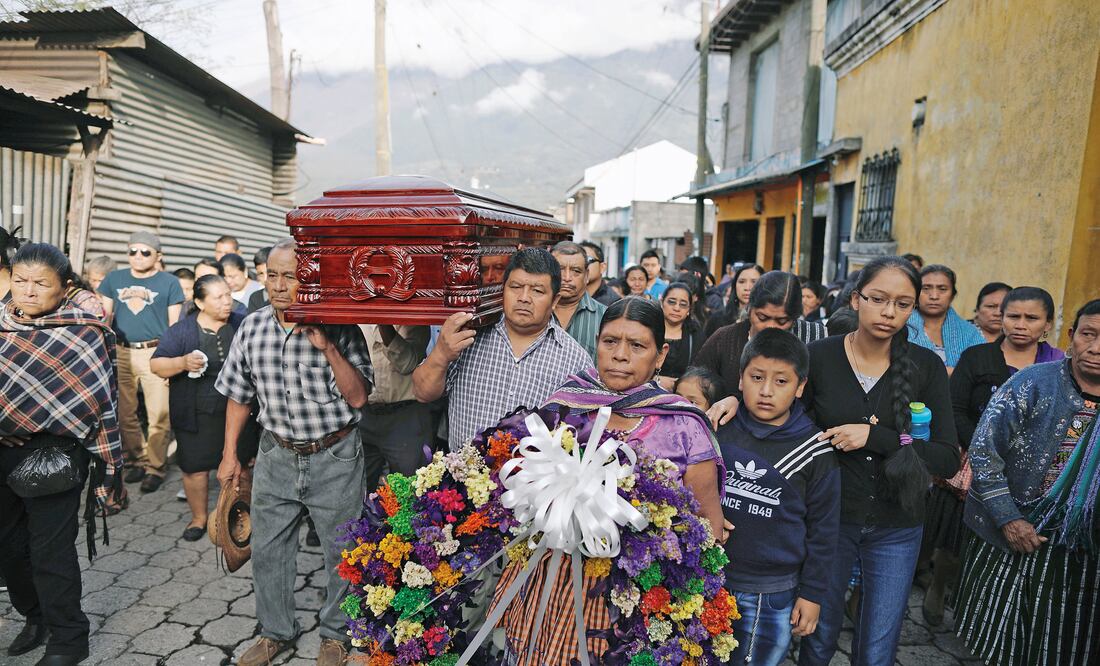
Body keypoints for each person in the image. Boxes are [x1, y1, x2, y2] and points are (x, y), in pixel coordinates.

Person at [491, 297, 725, 664]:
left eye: (637, 345)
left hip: (629, 597)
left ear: (661, 355)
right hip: (550, 580)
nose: (620, 355)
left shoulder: (683, 427)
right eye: (610, 341)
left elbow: (709, 529)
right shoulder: (566, 407)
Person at [215, 239, 372, 666]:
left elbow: (359, 397)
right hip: (276, 454)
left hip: (335, 455)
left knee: (342, 550)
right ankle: (276, 632)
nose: (280, 285)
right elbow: (238, 396)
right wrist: (229, 454)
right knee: (269, 548)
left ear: (310, 280)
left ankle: (336, 635)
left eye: (291, 276)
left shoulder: (340, 327)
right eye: (273, 275)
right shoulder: (251, 327)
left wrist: (328, 347)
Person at [795, 256, 959, 666]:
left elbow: (945, 458)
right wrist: (731, 400)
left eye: (903, 304)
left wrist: (877, 437)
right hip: (830, 520)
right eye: (879, 299)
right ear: (856, 300)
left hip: (898, 523)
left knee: (877, 649)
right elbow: (786, 424)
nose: (889, 312)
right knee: (818, 638)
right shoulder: (819, 357)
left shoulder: (926, 367)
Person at [955, 299, 1100, 666]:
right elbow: (984, 451)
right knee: (1004, 636)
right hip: (1015, 531)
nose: (1096, 348)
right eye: (1089, 334)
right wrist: (1008, 518)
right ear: (1072, 336)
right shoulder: (1033, 382)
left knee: (1071, 638)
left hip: (1086, 549)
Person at [0, 243, 124, 666]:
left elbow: (99, 402)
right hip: (2, 450)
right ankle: (35, 617)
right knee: (9, 549)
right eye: (20, 280)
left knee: (50, 552)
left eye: (41, 283)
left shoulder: (84, 331)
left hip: (56, 453)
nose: (28, 291)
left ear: (65, 287)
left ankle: (69, 639)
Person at [919, 286, 1065, 625]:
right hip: (975, 459)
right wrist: (985, 447)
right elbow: (954, 409)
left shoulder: (1057, 366)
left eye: (1032, 318)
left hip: (1031, 469)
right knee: (957, 536)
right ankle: (939, 586)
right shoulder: (978, 357)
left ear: (1047, 324)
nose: (1021, 325)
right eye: (1013, 316)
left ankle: (980, 605)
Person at [716, 329, 840, 666]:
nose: (766, 391)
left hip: (771, 593)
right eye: (757, 377)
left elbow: (824, 531)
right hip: (710, 579)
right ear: (740, 378)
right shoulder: (719, 429)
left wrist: (812, 594)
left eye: (781, 381)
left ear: (800, 386)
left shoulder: (815, 451)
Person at [412, 247, 592, 450]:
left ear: (555, 300)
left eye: (537, 291)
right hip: (463, 469)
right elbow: (422, 393)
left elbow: (581, 435)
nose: (524, 298)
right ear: (502, 289)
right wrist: (441, 354)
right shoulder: (468, 336)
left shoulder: (575, 359)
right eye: (516, 287)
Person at [151, 275, 245, 541]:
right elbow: (156, 365)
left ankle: (239, 515)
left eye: (228, 295)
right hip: (195, 412)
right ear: (200, 303)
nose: (227, 302)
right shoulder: (181, 331)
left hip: (237, 411)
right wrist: (182, 362)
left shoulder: (242, 324)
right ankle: (199, 518)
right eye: (219, 297)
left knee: (242, 465)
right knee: (194, 467)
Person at [97, 231, 184, 492]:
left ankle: (156, 468)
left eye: (145, 252)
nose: (138, 256)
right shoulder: (114, 279)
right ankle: (137, 460)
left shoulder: (170, 282)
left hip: (155, 351)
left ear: (158, 256)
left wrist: (170, 359)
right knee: (125, 414)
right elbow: (104, 318)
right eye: (132, 251)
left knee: (159, 415)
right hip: (121, 351)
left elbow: (174, 325)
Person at [695, 272, 827, 403]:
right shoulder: (724, 340)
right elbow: (693, 389)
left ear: (794, 319)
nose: (771, 326)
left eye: (781, 321)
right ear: (749, 309)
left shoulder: (815, 338)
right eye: (762, 317)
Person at [358, 324, 432, 490]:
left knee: (412, 489)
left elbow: (407, 364)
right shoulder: (355, 319)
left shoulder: (413, 320)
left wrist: (384, 325)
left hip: (406, 418)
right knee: (359, 490)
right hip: (363, 416)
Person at [906, 264, 985, 373]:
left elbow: (981, 370)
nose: (934, 296)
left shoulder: (970, 333)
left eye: (942, 289)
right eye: (926, 288)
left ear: (952, 295)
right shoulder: (901, 327)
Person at [551, 241, 607, 361]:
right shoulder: (534, 313)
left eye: (576, 271)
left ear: (586, 276)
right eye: (560, 269)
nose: (567, 278)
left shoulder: (605, 318)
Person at [656, 281, 704, 388]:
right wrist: (655, 380)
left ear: (689, 309)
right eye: (672, 302)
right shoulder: (649, 330)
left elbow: (700, 371)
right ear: (662, 303)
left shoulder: (696, 335)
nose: (676, 308)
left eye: (683, 304)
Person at [705, 263, 765, 338]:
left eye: (754, 282)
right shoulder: (717, 319)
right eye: (742, 281)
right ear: (734, 285)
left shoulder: (769, 322)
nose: (747, 287)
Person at [578, 240, 619, 307]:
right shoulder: (566, 296)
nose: (582, 265)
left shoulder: (614, 302)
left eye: (588, 260)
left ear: (602, 267)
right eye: (578, 260)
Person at [248, 246, 272, 312]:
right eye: (261, 274)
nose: (265, 279)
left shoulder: (290, 295)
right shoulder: (255, 298)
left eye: (269, 273)